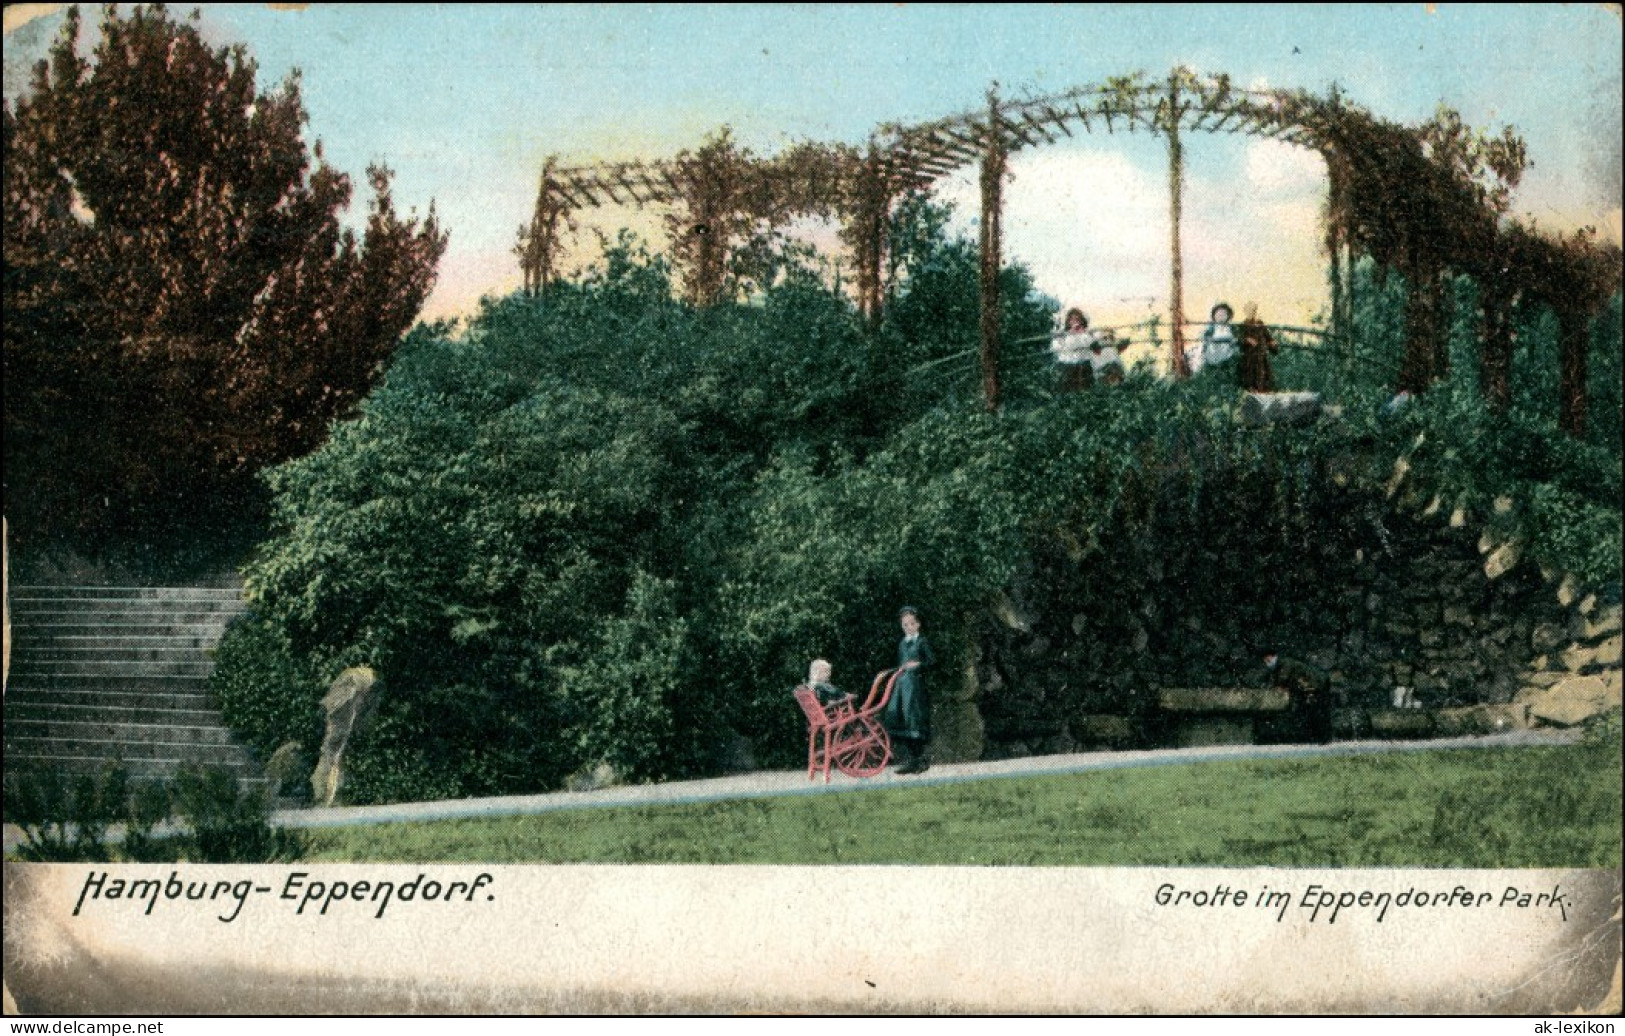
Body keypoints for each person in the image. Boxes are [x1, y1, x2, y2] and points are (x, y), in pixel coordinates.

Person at [886, 606, 936, 774]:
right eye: (905, 625)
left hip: (915, 688)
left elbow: (932, 661)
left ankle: (920, 759)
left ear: (918, 624)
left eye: (912, 624)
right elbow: (901, 663)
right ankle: (912, 760)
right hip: (901, 687)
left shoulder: (922, 642)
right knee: (899, 719)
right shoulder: (902, 643)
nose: (909, 627)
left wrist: (919, 664)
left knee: (914, 721)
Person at [1259, 650, 1333, 744]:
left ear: (1270, 656)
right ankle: (1319, 738)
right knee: (1311, 712)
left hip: (1314, 686)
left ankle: (1321, 738)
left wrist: (1278, 686)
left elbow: (1283, 678)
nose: (1266, 663)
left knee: (1314, 712)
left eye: (1267, 660)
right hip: (1310, 687)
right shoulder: (1283, 664)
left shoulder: (1285, 663)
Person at [1051, 308, 1099, 393]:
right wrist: (1069, 333)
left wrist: (1081, 333)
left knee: (1086, 391)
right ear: (1068, 321)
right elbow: (1056, 348)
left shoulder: (1086, 333)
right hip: (1067, 366)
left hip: (1084, 365)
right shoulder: (1064, 334)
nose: (1074, 321)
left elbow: (1091, 344)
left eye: (1077, 319)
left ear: (1081, 321)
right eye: (1071, 319)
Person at [1237, 302, 1280, 392]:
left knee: (1264, 381)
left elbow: (1268, 337)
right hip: (1249, 359)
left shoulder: (1260, 324)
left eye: (1253, 310)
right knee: (1250, 382)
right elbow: (1238, 340)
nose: (1251, 312)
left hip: (1261, 357)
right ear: (1245, 311)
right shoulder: (1242, 325)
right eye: (1249, 310)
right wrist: (1247, 340)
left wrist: (1272, 343)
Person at [1200, 302, 1238, 374]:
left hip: (1227, 352)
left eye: (1223, 315)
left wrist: (1234, 341)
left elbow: (1235, 338)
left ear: (1228, 316)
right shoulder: (1212, 327)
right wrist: (1208, 339)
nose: (1221, 317)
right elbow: (1204, 336)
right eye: (1218, 315)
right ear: (1214, 316)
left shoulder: (1230, 327)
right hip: (1213, 351)